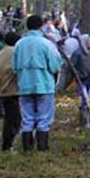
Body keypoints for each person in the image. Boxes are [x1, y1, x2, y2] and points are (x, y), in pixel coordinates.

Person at [14, 15, 61, 152]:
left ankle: (27, 148)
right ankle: (42, 147)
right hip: (44, 85)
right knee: (44, 118)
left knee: (27, 118)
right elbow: (55, 65)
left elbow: (14, 66)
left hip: (24, 86)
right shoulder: (47, 44)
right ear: (41, 26)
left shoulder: (19, 44)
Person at [0, 32, 21, 151]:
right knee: (13, 120)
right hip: (12, 90)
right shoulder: (15, 52)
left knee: (9, 119)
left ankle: (8, 144)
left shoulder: (2, 52)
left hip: (3, 89)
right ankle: (8, 145)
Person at [70, 34, 90, 130]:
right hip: (82, 80)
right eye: (89, 41)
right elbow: (72, 67)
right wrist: (78, 75)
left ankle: (87, 119)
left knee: (88, 99)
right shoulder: (77, 53)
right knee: (85, 99)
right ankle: (85, 121)